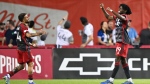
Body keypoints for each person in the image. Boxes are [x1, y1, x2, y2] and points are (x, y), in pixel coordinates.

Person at [3, 13, 45, 84]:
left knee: (22, 66)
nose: (28, 17)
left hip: (19, 48)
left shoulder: (19, 26)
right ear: (23, 19)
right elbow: (28, 35)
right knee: (30, 64)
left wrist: (30, 44)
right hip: (24, 48)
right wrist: (39, 33)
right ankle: (30, 81)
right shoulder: (23, 27)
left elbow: (22, 38)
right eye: (26, 17)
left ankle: (8, 75)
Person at [100, 3, 133, 84]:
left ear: (124, 10)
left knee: (117, 58)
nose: (119, 9)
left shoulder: (125, 16)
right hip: (120, 41)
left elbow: (121, 17)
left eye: (121, 8)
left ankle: (111, 80)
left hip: (123, 41)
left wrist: (112, 10)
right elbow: (108, 17)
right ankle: (130, 81)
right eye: (119, 8)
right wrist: (103, 9)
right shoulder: (117, 17)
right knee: (123, 60)